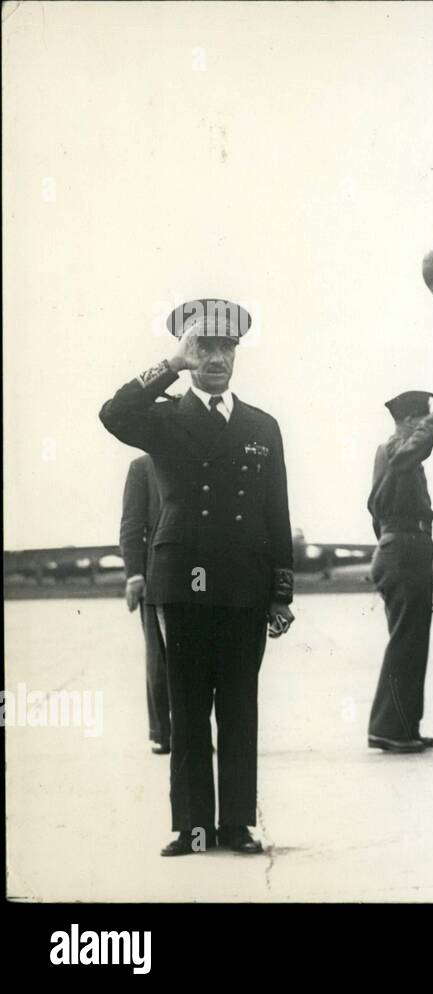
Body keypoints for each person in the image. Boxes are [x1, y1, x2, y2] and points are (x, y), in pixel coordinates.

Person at [99, 298, 294, 857]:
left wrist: (281, 591)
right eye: (203, 347)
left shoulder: (262, 425)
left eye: (225, 347)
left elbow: (275, 511)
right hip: (182, 582)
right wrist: (168, 365)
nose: (216, 358)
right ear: (188, 352)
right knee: (186, 708)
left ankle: (235, 825)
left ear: (237, 355)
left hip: (243, 585)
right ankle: (192, 827)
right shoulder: (162, 419)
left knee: (239, 706)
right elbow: (113, 413)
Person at [366, 390, 433, 753]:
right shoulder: (395, 450)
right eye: (422, 416)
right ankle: (388, 728)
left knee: (411, 641)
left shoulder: (396, 454)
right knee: (406, 642)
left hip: (402, 548)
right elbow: (408, 454)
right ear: (410, 420)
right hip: (404, 549)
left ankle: (403, 726)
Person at [120, 454, 169, 754]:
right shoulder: (142, 467)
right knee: (159, 658)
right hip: (155, 575)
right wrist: (134, 574)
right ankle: (162, 732)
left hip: (196, 577)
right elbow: (131, 524)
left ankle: (195, 731)